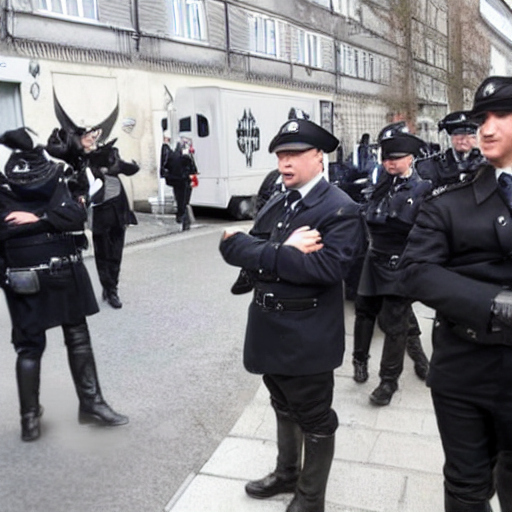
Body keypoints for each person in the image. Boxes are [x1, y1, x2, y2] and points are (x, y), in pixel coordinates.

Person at [219, 118, 365, 512]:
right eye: (281, 155)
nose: (284, 163)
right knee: (282, 404)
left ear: (318, 157)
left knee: (315, 418)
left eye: (294, 155)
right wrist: (285, 249)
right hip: (268, 326)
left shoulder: (339, 208)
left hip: (307, 335)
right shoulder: (279, 199)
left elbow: (327, 270)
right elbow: (231, 246)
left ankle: (310, 498)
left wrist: (264, 252)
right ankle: (287, 474)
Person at [400, 75, 512, 512]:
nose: (486, 127)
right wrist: (497, 305)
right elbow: (415, 271)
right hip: (466, 367)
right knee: (466, 488)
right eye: (482, 117)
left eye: (501, 115)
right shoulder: (449, 201)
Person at [0, 127, 128, 442]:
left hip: (23, 274)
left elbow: (8, 231)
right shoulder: (56, 175)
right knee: (77, 338)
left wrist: (31, 222)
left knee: (30, 347)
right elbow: (74, 216)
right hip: (61, 266)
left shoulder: (3, 184)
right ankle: (91, 404)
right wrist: (47, 217)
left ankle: (30, 421)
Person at [352, 122, 432, 406]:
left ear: (410, 158)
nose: (390, 163)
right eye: (386, 158)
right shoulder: (379, 186)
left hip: (401, 261)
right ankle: (359, 360)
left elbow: (423, 231)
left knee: (395, 322)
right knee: (364, 310)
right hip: (375, 257)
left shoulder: (422, 188)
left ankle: (389, 381)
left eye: (395, 158)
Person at [87, 134, 140, 309]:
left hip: (119, 213)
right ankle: (109, 289)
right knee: (103, 255)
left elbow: (130, 169)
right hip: (101, 214)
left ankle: (112, 288)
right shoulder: (86, 160)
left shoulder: (113, 157)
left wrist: (126, 164)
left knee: (116, 254)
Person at [415, 110, 484, 188]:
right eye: (458, 135)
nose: (464, 140)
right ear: (451, 137)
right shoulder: (432, 166)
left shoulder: (487, 165)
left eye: (470, 136)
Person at [162, 137, 198, 231]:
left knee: (179, 200)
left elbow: (166, 167)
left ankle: (180, 217)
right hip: (185, 181)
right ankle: (185, 221)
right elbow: (193, 169)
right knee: (185, 202)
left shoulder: (171, 156)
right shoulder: (186, 157)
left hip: (175, 181)